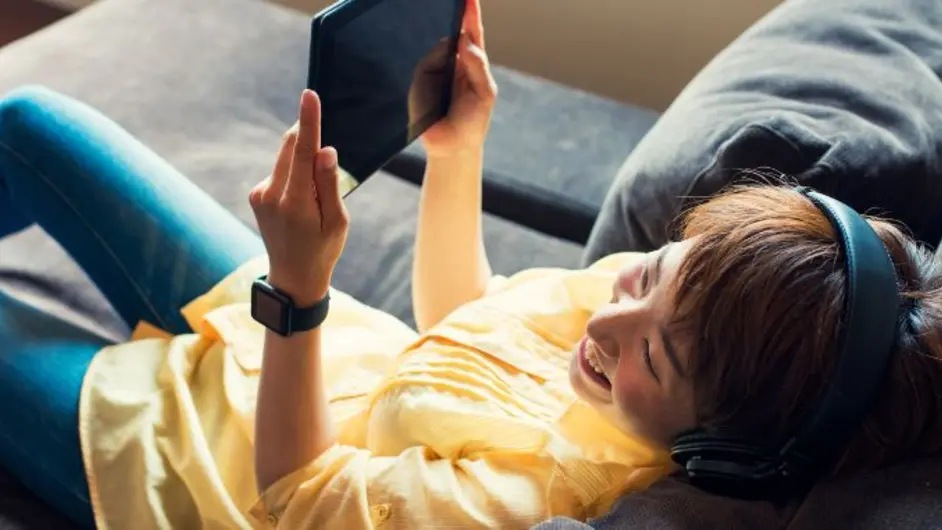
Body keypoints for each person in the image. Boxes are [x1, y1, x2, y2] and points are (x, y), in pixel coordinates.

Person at [1, 1, 941, 528]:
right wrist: (459, 151)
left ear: (718, 449)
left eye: (655, 357)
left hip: (192, 469)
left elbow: (301, 500)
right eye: (651, 274)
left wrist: (297, 293)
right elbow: (472, 317)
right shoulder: (643, 319)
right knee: (34, 124)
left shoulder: (535, 498)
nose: (607, 324)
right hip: (313, 351)